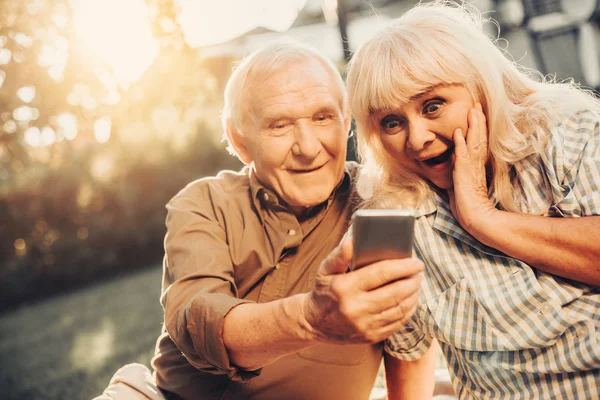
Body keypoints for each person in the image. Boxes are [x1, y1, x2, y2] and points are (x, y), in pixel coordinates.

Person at [94, 40, 438, 400]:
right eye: (279, 125)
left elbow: (412, 337)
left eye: (322, 118)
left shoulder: (382, 205)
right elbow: (197, 320)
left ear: (346, 120)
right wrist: (311, 319)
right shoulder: (203, 204)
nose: (307, 147)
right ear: (238, 141)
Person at [345, 1, 600, 399]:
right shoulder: (385, 220)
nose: (417, 139)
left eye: (433, 106)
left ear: (481, 87)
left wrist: (483, 218)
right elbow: (408, 354)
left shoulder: (570, 131)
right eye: (392, 122)